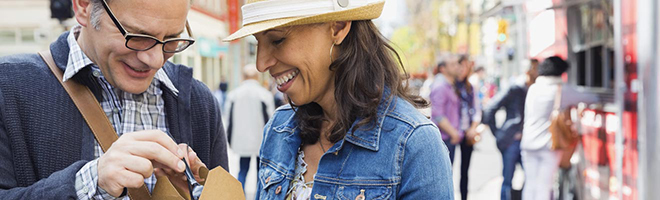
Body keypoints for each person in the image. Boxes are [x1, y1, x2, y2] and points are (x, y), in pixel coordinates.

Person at [223, 0, 454, 199]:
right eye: (257, 43)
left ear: (338, 27)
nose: (261, 64)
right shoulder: (279, 128)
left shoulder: (414, 144)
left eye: (277, 40)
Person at [0, 0, 229, 198]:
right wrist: (90, 183)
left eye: (171, 39)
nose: (156, 60)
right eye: (139, 37)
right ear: (83, 7)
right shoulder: (8, 88)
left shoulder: (199, 102)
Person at [521, 56, 598, 200]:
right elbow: (592, 98)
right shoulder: (560, 90)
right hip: (549, 145)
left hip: (528, 143)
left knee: (530, 185)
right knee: (544, 186)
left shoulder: (533, 88)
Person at [482, 58, 539, 200]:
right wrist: (499, 134)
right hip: (512, 141)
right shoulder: (516, 88)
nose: (538, 73)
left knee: (532, 177)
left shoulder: (536, 90)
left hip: (528, 140)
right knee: (508, 179)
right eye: (535, 69)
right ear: (528, 71)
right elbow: (490, 109)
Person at [224, 64, 275, 190]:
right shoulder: (264, 95)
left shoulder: (234, 95)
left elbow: (228, 119)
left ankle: (240, 196)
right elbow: (271, 119)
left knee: (242, 170)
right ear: (257, 77)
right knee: (260, 172)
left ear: (243, 77)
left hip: (241, 140)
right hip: (261, 140)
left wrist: (229, 140)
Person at [454, 55, 482, 200]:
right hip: (452, 133)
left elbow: (477, 110)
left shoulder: (470, 87)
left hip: (467, 132)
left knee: (465, 170)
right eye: (460, 65)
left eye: (465, 66)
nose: (462, 69)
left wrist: (472, 128)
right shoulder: (450, 85)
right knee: (448, 168)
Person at [431, 57, 462, 160]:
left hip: (449, 138)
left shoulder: (450, 85)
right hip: (444, 139)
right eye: (452, 64)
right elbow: (438, 115)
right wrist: (454, 134)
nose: (457, 67)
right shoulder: (440, 86)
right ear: (443, 69)